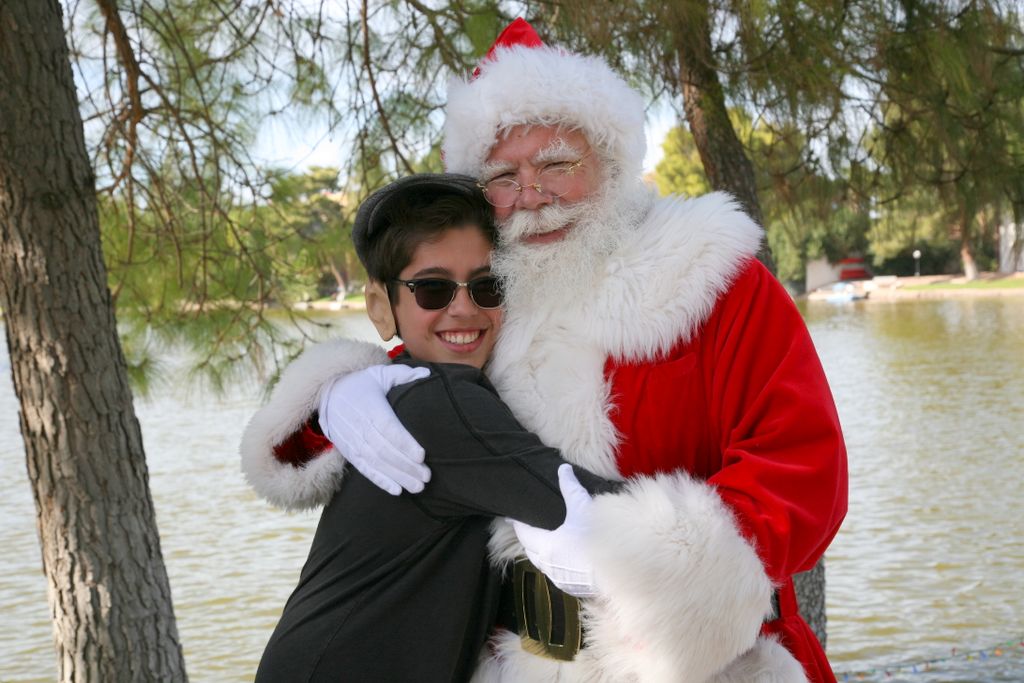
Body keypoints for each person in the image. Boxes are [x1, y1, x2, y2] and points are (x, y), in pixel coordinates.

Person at [242, 18, 848, 683]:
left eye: (558, 163)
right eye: (504, 175)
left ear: (609, 164)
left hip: (694, 663)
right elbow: (395, 440)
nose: (532, 193)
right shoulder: (488, 300)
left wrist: (666, 562)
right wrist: (339, 394)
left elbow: (803, 467)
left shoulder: (712, 279)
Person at [250, 173, 618, 682]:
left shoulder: (400, 392)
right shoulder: (438, 404)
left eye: (488, 285)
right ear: (382, 309)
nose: (464, 307)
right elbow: (594, 508)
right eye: (432, 288)